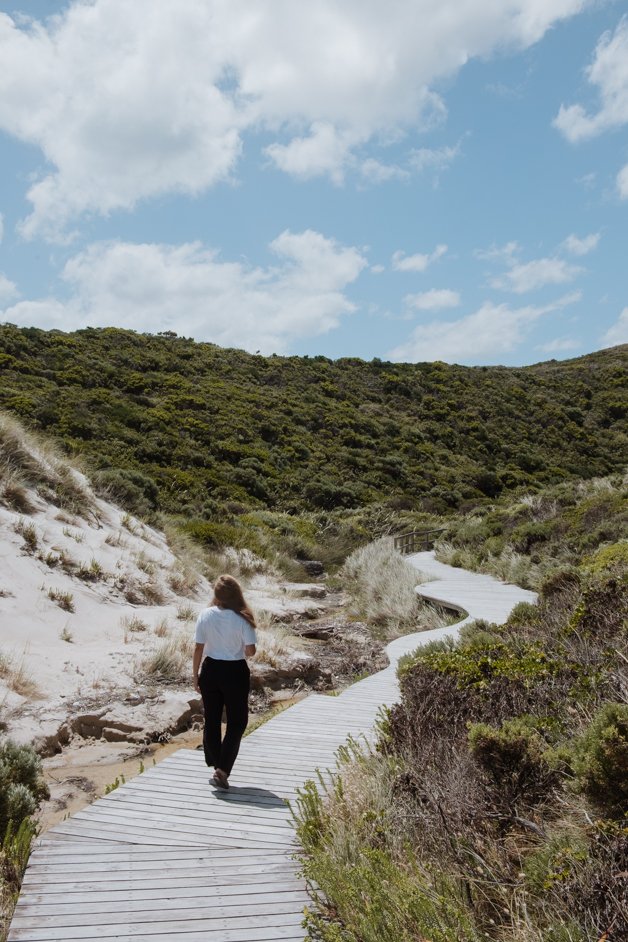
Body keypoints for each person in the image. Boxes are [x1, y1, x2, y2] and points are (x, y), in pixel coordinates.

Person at [192, 574, 257, 790]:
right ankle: (222, 769)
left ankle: (216, 763)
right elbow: (251, 651)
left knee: (212, 718)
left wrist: (195, 675)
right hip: (235, 671)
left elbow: (198, 647)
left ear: (216, 594)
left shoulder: (205, 615)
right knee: (237, 722)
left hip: (210, 669)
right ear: (237, 594)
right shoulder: (242, 618)